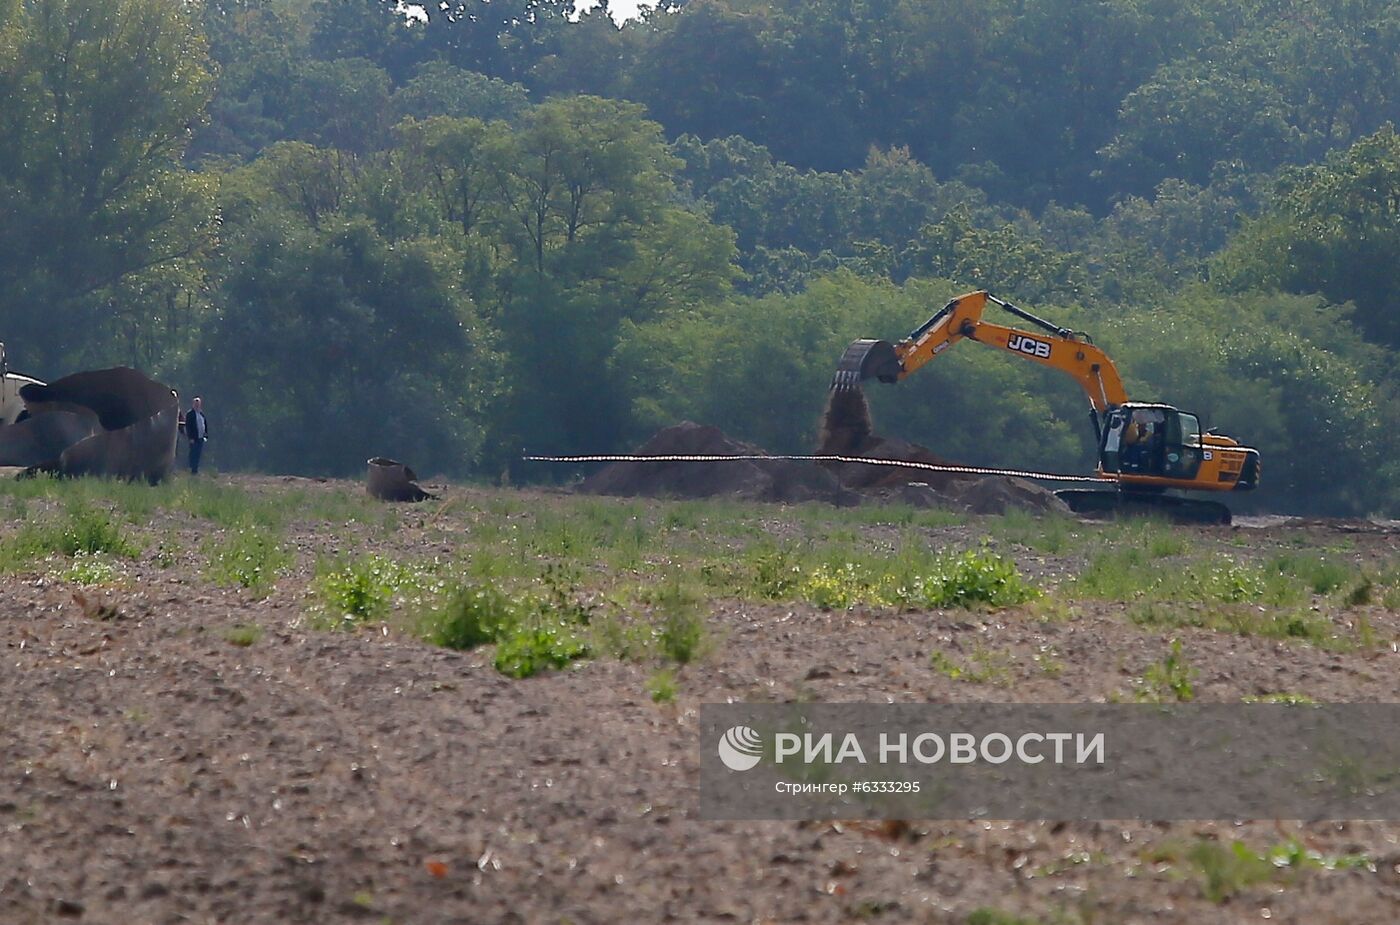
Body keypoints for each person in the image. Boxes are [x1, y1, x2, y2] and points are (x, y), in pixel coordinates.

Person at [184, 396, 209, 474]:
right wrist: (190, 437)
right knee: (193, 453)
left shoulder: (201, 413)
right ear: (193, 404)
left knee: (198, 453)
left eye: (198, 404)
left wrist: (206, 435)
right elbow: (188, 427)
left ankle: (196, 469)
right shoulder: (190, 414)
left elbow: (204, 424)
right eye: (196, 404)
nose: (197, 405)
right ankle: (192, 469)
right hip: (194, 438)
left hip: (201, 437)